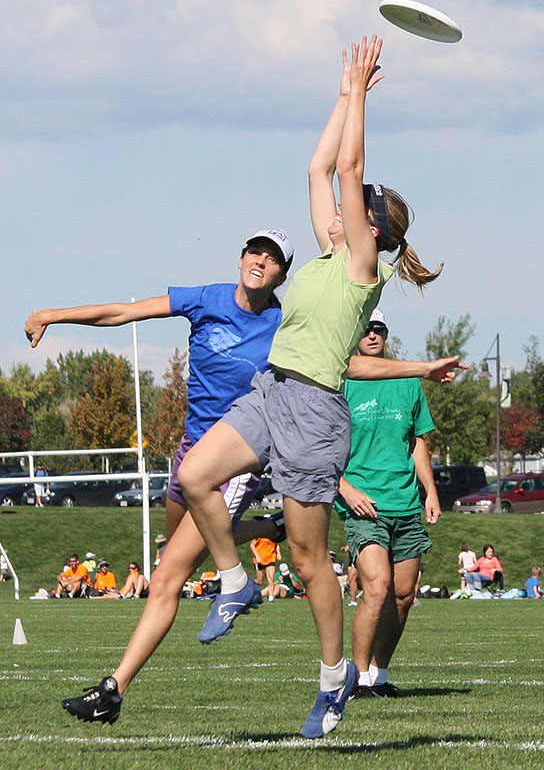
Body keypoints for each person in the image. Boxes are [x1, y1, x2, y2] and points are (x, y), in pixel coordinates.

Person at [176, 37, 456, 739]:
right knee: (194, 476)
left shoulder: (364, 264)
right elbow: (320, 163)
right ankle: (235, 581)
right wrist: (341, 93)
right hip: (272, 392)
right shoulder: (332, 253)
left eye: (351, 205)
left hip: (314, 414)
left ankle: (334, 679)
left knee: (306, 561)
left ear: (371, 227)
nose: (335, 204)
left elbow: (351, 164)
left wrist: (361, 94)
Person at [26, 230, 294, 724]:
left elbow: (335, 366)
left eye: (274, 258)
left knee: (168, 576)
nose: (262, 260)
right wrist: (50, 314)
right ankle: (264, 531)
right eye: (256, 251)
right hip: (190, 453)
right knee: (174, 560)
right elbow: (123, 313)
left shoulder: (285, 322)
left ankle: (113, 687)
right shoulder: (206, 299)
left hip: (234, 462)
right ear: (241, 258)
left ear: (282, 273)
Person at [335, 308, 441, 699]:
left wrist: (430, 491)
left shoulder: (408, 381)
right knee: (376, 587)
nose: (372, 334)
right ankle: (357, 678)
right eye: (365, 328)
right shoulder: (341, 380)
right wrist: (344, 488)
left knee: (403, 595)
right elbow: (323, 443)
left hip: (406, 503)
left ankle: (379, 675)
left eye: (379, 328)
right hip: (364, 504)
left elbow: (417, 441)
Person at [251, 536, 281, 602]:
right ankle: (248, 584)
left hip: (271, 559)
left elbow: (277, 544)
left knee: (271, 579)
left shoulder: (274, 535)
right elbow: (252, 545)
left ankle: (271, 598)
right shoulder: (260, 536)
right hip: (259, 561)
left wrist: (278, 552)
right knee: (260, 581)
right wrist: (257, 556)